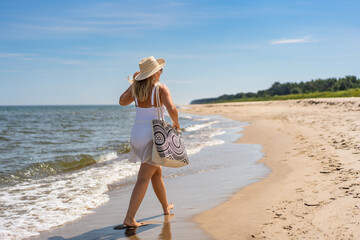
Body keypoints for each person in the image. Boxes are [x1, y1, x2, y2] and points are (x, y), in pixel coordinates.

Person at [119, 56, 180, 227]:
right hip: (154, 136)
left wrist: (134, 84)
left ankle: (165, 207)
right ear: (155, 73)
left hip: (137, 134)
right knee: (143, 177)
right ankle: (129, 218)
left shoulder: (137, 91)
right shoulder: (160, 88)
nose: (161, 72)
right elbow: (172, 109)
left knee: (156, 172)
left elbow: (121, 101)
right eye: (160, 70)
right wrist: (176, 123)